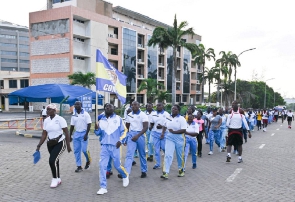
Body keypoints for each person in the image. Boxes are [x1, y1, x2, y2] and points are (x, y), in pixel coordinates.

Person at [94, 103, 129, 195]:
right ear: (104, 108)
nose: (108, 107)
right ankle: (103, 187)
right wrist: (96, 129)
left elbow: (124, 131)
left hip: (115, 146)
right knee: (102, 166)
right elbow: (99, 134)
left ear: (114, 108)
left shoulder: (118, 119)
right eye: (106, 107)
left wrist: (120, 141)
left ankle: (125, 176)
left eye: (110, 106)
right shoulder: (101, 119)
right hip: (105, 146)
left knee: (117, 166)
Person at [36, 104, 72, 188]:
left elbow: (66, 132)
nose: (48, 111)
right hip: (50, 143)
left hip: (60, 142)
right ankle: (58, 178)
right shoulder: (46, 120)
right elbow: (44, 134)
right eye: (47, 109)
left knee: (52, 160)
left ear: (55, 110)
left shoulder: (60, 119)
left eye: (50, 109)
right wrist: (39, 145)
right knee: (56, 160)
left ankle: (54, 179)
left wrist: (68, 145)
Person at [123, 101, 149, 178]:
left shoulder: (143, 115)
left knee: (142, 154)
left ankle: (144, 171)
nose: (133, 106)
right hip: (131, 135)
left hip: (140, 135)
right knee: (129, 154)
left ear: (139, 106)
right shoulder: (129, 115)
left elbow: (145, 127)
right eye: (132, 105)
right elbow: (127, 127)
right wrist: (125, 137)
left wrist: (138, 135)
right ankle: (126, 172)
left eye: (135, 105)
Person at [161, 105, 187, 179]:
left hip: (179, 137)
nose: (173, 110)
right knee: (168, 154)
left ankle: (181, 170)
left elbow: (184, 130)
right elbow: (164, 125)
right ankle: (165, 172)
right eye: (172, 109)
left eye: (175, 109)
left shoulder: (181, 119)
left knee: (179, 155)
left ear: (178, 110)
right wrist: (162, 133)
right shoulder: (168, 117)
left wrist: (174, 132)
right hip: (169, 137)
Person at [70, 101, 92, 172]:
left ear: (81, 105)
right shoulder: (74, 115)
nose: (76, 105)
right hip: (76, 134)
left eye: (78, 104)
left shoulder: (86, 114)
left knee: (84, 150)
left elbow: (89, 124)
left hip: (84, 133)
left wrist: (86, 134)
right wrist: (70, 135)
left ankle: (88, 160)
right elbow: (72, 126)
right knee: (76, 151)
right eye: (75, 104)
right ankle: (79, 166)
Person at [149, 102, 170, 169]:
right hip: (155, 133)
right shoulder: (154, 114)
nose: (158, 107)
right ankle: (157, 164)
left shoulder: (166, 114)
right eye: (157, 105)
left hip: (164, 133)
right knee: (156, 149)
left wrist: (162, 128)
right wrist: (151, 127)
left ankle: (167, 161)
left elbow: (169, 124)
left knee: (164, 148)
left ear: (163, 106)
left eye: (159, 105)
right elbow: (152, 122)